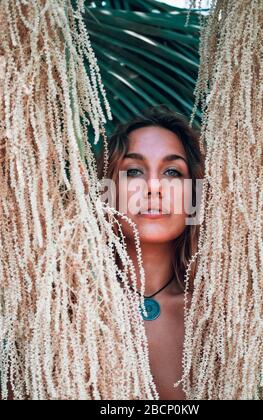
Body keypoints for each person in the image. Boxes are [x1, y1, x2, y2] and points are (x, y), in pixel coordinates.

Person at [97, 105, 206, 400]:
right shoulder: (60, 309)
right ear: (106, 194)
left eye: (172, 172)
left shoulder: (226, 317)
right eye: (133, 171)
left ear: (195, 198)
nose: (154, 186)